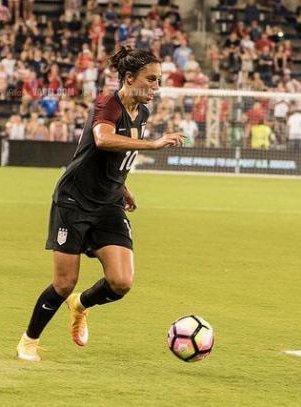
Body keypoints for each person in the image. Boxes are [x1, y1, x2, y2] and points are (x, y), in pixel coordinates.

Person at [16, 47, 184, 362]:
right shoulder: (108, 103)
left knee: (121, 282)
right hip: (74, 201)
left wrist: (123, 186)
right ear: (129, 77)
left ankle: (81, 306)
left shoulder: (142, 113)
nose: (155, 87)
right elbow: (104, 140)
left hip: (108, 203)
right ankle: (29, 340)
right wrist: (153, 144)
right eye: (150, 79)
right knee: (64, 283)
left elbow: (116, 157)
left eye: (158, 80)